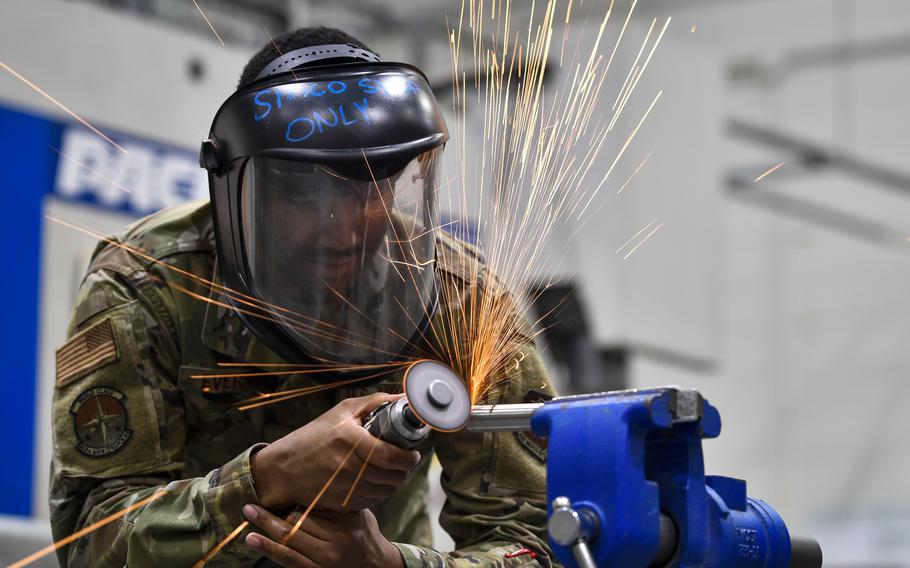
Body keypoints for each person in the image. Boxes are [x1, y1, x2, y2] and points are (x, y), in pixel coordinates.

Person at [50, 27, 557, 567]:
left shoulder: (461, 301)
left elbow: (538, 545)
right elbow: (89, 540)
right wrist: (269, 477)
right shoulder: (148, 286)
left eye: (370, 191)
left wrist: (389, 565)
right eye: (304, 196)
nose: (343, 231)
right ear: (246, 192)